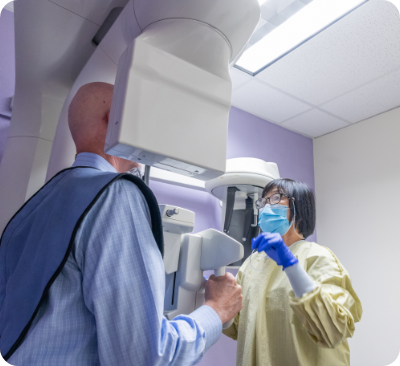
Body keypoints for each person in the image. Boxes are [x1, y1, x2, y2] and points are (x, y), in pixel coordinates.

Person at [0, 82, 243, 365]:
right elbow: (142, 356)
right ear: (113, 120)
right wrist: (216, 310)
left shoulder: (33, 207)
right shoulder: (115, 194)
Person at [223, 178, 362, 366]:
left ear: (299, 208)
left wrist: (290, 265)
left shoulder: (317, 257)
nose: (265, 207)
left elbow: (334, 329)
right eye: (263, 201)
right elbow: (238, 327)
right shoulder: (250, 264)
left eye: (276, 198)